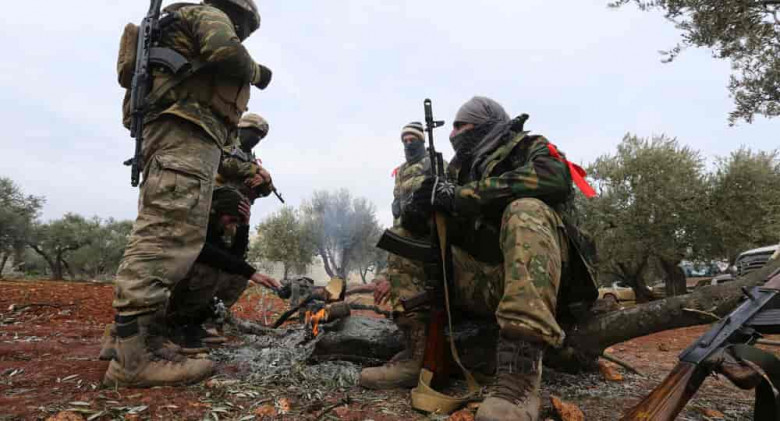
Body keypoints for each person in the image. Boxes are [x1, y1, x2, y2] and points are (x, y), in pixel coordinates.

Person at [360, 97, 598, 421]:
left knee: (525, 210)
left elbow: (554, 178)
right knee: (405, 234)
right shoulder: (459, 169)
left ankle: (519, 378)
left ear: (487, 125)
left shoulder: (528, 147)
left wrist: (462, 196)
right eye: (452, 127)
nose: (453, 134)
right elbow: (448, 227)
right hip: (487, 283)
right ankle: (418, 355)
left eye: (461, 126)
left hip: (546, 285)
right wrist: (421, 209)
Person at [105, 0, 274, 388]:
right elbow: (226, 52)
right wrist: (260, 72)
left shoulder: (190, 20)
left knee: (168, 236)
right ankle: (132, 361)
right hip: (183, 135)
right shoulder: (209, 15)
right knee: (164, 238)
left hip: (184, 137)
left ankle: (138, 342)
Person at [363, 122, 443, 387]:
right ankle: (412, 348)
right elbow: (398, 218)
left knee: (416, 294)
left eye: (413, 139)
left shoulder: (434, 164)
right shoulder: (401, 173)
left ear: (422, 141)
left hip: (430, 240)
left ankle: (418, 360)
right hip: (406, 238)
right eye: (405, 140)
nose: (409, 144)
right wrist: (387, 271)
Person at [166, 186, 279, 353]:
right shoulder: (192, 224)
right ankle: (176, 328)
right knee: (209, 270)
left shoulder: (215, 229)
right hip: (166, 292)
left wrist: (244, 226)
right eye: (231, 219)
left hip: (182, 287)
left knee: (238, 276)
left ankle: (193, 325)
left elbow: (234, 260)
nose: (230, 226)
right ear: (217, 211)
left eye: (236, 221)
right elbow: (206, 252)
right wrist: (252, 273)